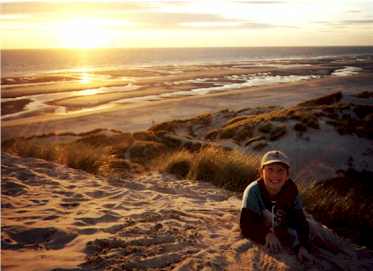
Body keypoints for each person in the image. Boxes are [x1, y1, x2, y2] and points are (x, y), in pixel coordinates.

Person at [240, 150, 313, 262]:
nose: (275, 175)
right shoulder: (253, 191)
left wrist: (302, 246)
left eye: (280, 170)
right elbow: (246, 224)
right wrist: (266, 234)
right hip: (264, 227)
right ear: (261, 172)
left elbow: (300, 221)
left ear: (287, 175)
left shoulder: (291, 190)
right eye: (270, 169)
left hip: (284, 225)